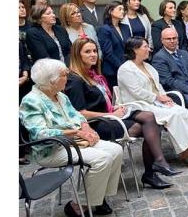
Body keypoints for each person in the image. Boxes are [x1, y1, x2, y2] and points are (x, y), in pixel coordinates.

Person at [65, 38, 181, 189]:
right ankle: (154, 169)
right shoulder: (75, 80)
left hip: (110, 117)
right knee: (152, 125)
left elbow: (103, 102)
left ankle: (154, 168)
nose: (93, 54)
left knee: (149, 118)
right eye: (87, 51)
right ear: (77, 55)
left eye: (94, 51)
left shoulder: (93, 74)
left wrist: (114, 109)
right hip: (96, 125)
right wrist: (111, 115)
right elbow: (80, 114)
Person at [20, 58, 122, 217]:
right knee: (102, 159)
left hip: (74, 142)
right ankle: (78, 205)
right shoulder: (31, 101)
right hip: (52, 149)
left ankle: (98, 198)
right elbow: (41, 133)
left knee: (116, 150)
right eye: (64, 75)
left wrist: (87, 129)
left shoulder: (60, 95)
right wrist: (77, 133)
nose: (67, 77)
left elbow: (78, 117)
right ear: (51, 81)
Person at [117, 37, 188, 159]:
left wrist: (166, 97)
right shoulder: (126, 69)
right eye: (145, 47)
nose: (149, 49)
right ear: (135, 50)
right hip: (138, 105)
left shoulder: (148, 66)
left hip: (154, 102)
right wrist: (158, 97)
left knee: (181, 111)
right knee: (173, 115)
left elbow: (158, 86)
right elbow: (136, 92)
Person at [97, 1, 132, 89]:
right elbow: (108, 53)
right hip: (112, 70)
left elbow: (130, 47)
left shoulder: (126, 27)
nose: (122, 12)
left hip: (127, 67)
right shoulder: (104, 29)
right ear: (110, 11)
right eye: (119, 9)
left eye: (123, 9)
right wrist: (121, 66)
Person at [19, 0, 33, 165]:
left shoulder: (30, 27)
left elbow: (23, 57)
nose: (22, 9)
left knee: (25, 109)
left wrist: (24, 73)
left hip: (24, 76)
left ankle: (28, 143)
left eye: (23, 6)